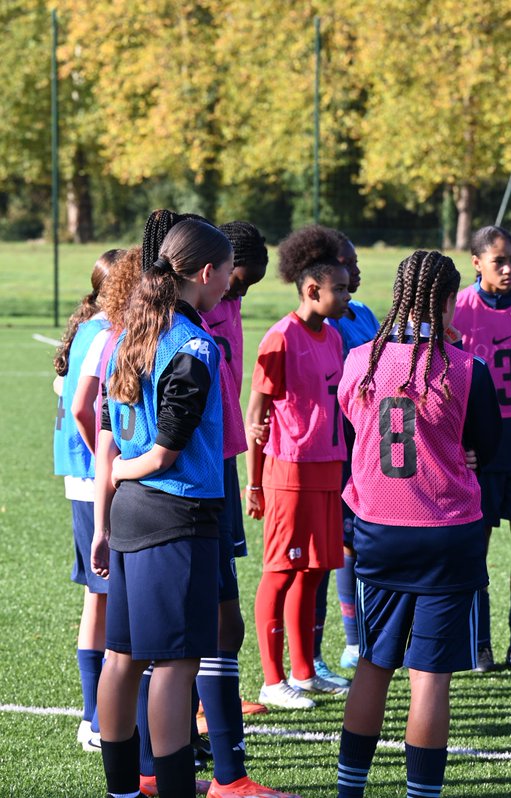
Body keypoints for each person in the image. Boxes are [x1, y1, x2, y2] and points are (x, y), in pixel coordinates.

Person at [335, 250, 500, 798]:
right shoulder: (465, 367)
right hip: (446, 531)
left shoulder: (359, 360)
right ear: (448, 300)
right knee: (430, 677)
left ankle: (349, 788)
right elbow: (487, 446)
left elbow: (359, 427)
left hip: (379, 527)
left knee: (374, 663)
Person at [92, 218, 234, 798]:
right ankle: (173, 789)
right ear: (206, 273)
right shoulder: (194, 345)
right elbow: (161, 454)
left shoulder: (127, 335)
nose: (229, 283)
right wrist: (121, 473)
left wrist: (105, 515)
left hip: (130, 517)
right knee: (176, 664)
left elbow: (106, 434)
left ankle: (123, 790)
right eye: (226, 272)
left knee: (122, 656)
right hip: (175, 520)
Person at [195, 220, 299, 797]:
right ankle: (221, 770)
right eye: (238, 281)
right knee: (212, 620)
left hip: (222, 461)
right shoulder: (190, 319)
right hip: (199, 474)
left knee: (210, 621)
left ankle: (199, 723)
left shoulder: (225, 302)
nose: (241, 294)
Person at [245, 225, 352, 708]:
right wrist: (254, 483)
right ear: (313, 289)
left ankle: (305, 671)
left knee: (312, 572)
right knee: (280, 572)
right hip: (287, 472)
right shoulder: (279, 338)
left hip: (328, 469)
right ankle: (272, 678)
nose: (348, 295)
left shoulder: (333, 337)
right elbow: (257, 416)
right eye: (342, 288)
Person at [453, 226, 511, 674]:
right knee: (479, 541)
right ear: (476, 263)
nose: (508, 268)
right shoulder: (458, 311)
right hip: (477, 437)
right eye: (498, 261)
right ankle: (480, 644)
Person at [52, 248, 122, 752]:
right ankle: (96, 717)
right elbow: (82, 409)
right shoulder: (101, 334)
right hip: (89, 478)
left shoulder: (88, 329)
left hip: (84, 477)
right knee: (102, 594)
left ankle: (97, 715)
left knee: (99, 595)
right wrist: (108, 464)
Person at [322, 229, 379, 675]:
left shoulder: (363, 314)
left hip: (370, 442)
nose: (356, 271)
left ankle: (372, 629)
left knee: (365, 537)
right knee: (343, 543)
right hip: (337, 444)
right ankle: (352, 638)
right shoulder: (322, 324)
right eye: (348, 263)